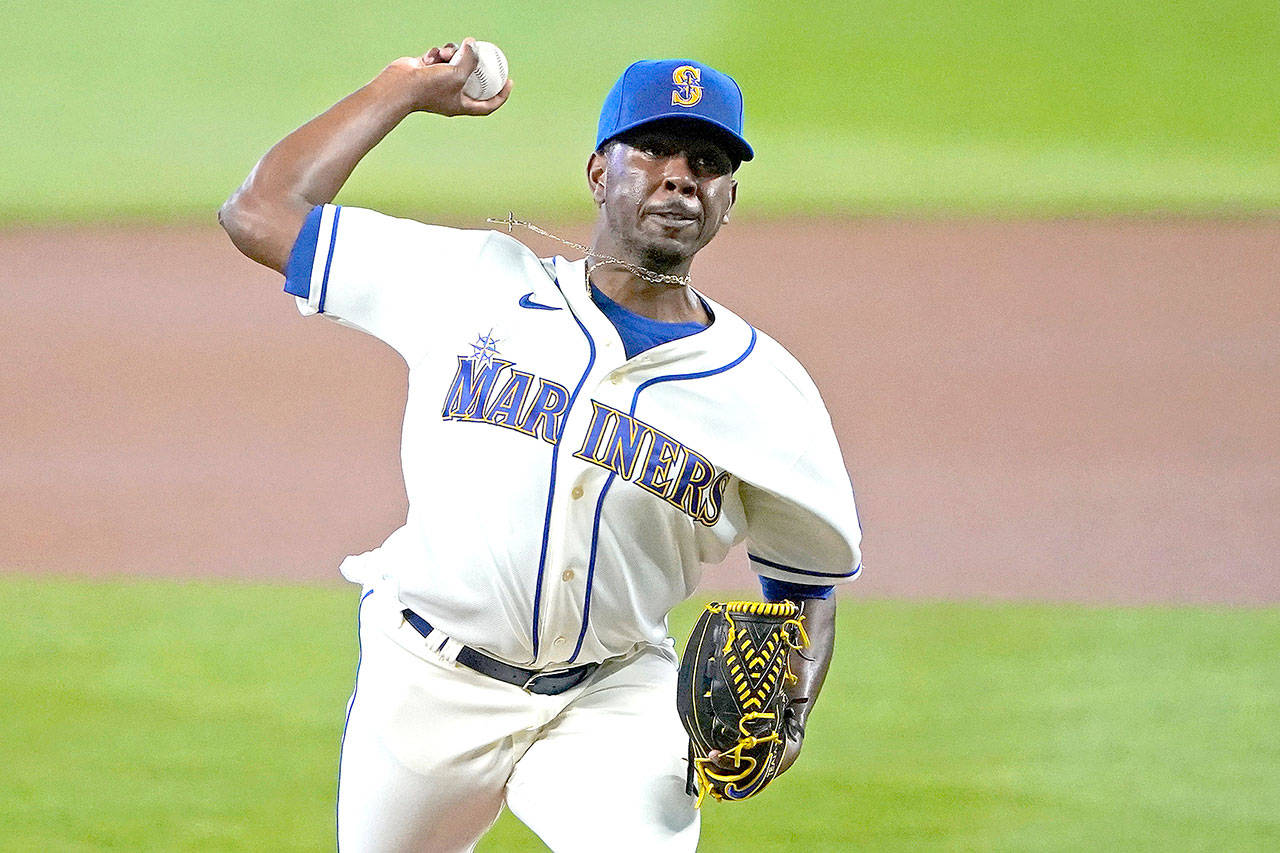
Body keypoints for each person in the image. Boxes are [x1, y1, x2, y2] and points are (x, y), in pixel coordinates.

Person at [219, 39, 862, 853]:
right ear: (600, 173)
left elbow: (806, 580)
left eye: (706, 161)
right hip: (425, 679)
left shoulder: (768, 392)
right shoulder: (472, 282)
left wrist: (793, 709)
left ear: (729, 197)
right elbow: (261, 210)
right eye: (654, 149)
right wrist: (401, 91)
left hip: (612, 697)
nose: (678, 176)